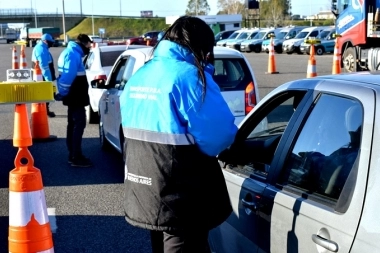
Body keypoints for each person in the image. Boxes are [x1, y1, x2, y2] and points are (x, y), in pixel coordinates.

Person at [119, 16, 238, 253]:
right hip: (181, 195)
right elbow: (220, 136)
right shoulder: (189, 76)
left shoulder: (140, 75)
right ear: (201, 45)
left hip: (144, 187)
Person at [55, 34, 93, 168]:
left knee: (73, 124)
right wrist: (63, 93)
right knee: (78, 124)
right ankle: (75, 156)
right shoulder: (72, 54)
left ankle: (74, 154)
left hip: (74, 97)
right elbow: (67, 77)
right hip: (75, 97)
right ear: (83, 42)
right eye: (89, 44)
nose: (89, 47)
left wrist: (63, 94)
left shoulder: (72, 52)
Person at [31, 33, 57, 117]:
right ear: (46, 41)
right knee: (45, 93)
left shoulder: (42, 47)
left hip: (41, 75)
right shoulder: (41, 49)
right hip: (42, 76)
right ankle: (43, 110)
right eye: (50, 42)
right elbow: (44, 66)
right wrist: (48, 81)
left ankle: (45, 109)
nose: (51, 44)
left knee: (45, 93)